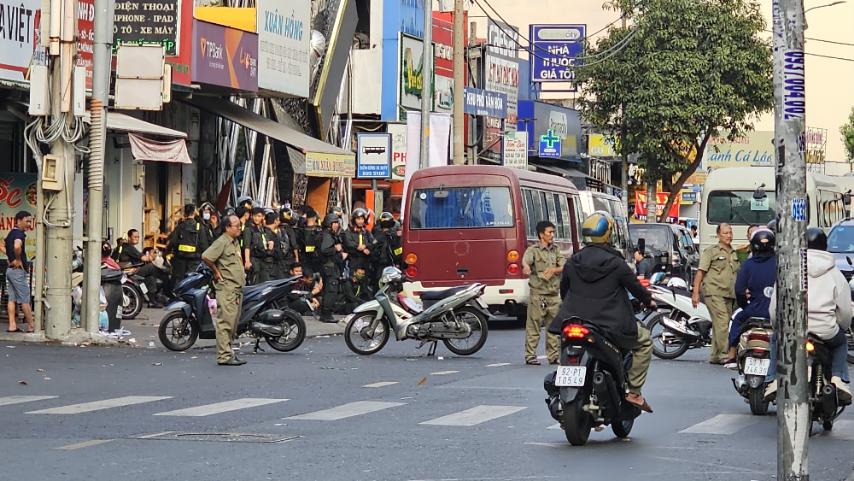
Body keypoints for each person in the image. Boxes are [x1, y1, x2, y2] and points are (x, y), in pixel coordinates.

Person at [549, 211, 655, 412]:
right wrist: (649, 301)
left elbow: (564, 291)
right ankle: (634, 392)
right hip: (609, 324)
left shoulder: (572, 262)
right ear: (607, 235)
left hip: (573, 321)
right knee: (644, 341)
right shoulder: (616, 263)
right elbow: (637, 290)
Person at [766, 228, 851, 402]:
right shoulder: (835, 274)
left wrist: (778, 326)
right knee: (841, 342)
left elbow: (776, 305)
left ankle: (773, 379)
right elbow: (844, 310)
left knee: (776, 338)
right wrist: (842, 325)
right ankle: (838, 378)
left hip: (793, 328)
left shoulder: (790, 270)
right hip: (825, 329)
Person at [725, 228, 777, 367]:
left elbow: (739, 290)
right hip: (776, 312)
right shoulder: (781, 264)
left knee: (737, 320)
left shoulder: (748, 265)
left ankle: (731, 354)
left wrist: (745, 306)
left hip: (753, 310)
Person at [201, 214, 247, 366]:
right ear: (227, 227)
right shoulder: (222, 241)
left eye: (239, 225)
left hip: (236, 289)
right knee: (225, 323)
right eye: (236, 226)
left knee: (233, 324)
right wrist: (215, 271)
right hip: (227, 288)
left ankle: (229, 352)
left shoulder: (234, 242)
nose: (239, 228)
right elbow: (206, 256)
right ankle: (224, 356)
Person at [692, 223, 739, 365]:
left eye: (730, 233)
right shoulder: (711, 251)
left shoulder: (734, 252)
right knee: (723, 322)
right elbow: (701, 272)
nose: (729, 236)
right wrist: (695, 292)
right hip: (713, 292)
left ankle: (715, 355)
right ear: (718, 235)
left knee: (720, 324)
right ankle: (725, 354)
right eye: (725, 233)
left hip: (729, 294)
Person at [521, 221, 564, 365]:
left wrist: (553, 270)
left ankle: (553, 356)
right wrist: (526, 267)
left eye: (553, 232)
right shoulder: (533, 250)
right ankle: (530, 356)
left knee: (554, 328)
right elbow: (525, 262)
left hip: (553, 295)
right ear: (541, 234)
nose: (552, 235)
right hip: (538, 295)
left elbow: (563, 265)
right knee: (534, 327)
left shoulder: (556, 250)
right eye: (549, 232)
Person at [118, 229, 165, 307]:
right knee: (152, 268)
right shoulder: (129, 247)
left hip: (132, 269)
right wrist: (153, 255)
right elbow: (145, 258)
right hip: (130, 271)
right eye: (135, 237)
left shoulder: (128, 247)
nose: (137, 238)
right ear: (129, 238)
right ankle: (161, 293)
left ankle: (152, 300)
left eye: (138, 237)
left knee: (150, 278)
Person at [5, 211, 34, 333]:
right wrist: (17, 259)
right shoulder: (19, 234)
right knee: (25, 299)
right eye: (27, 221)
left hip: (10, 270)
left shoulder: (11, 233)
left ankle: (12, 325)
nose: (29, 224)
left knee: (12, 298)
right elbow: (17, 246)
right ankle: (31, 326)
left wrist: (10, 258)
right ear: (19, 220)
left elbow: (4, 245)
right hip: (17, 271)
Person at [167, 204, 206, 284]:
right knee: (191, 281)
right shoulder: (199, 227)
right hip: (194, 261)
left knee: (180, 282)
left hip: (180, 260)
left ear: (185, 213)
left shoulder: (180, 226)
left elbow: (173, 242)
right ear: (194, 213)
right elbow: (204, 244)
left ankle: (179, 296)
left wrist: (167, 252)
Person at [318, 213, 346, 323]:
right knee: (331, 290)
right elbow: (324, 250)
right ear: (329, 224)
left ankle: (326, 313)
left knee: (329, 290)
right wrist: (336, 248)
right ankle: (326, 314)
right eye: (334, 223)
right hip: (329, 267)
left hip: (329, 267)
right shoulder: (327, 235)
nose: (336, 225)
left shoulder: (329, 234)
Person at [243, 207, 273, 284]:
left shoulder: (263, 229)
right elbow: (247, 246)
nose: (256, 218)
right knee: (255, 282)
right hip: (254, 259)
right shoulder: (248, 229)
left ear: (263, 217)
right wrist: (247, 261)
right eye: (255, 216)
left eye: (259, 216)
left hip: (264, 259)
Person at [343, 207, 375, 273]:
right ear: (354, 220)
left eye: (362, 219)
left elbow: (374, 242)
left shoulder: (367, 232)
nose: (360, 221)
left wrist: (366, 246)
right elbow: (348, 243)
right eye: (358, 219)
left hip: (365, 263)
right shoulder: (348, 232)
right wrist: (357, 246)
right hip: (353, 262)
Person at [299, 207, 322, 274]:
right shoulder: (318, 230)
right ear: (315, 218)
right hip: (315, 260)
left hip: (304, 259)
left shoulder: (301, 230)